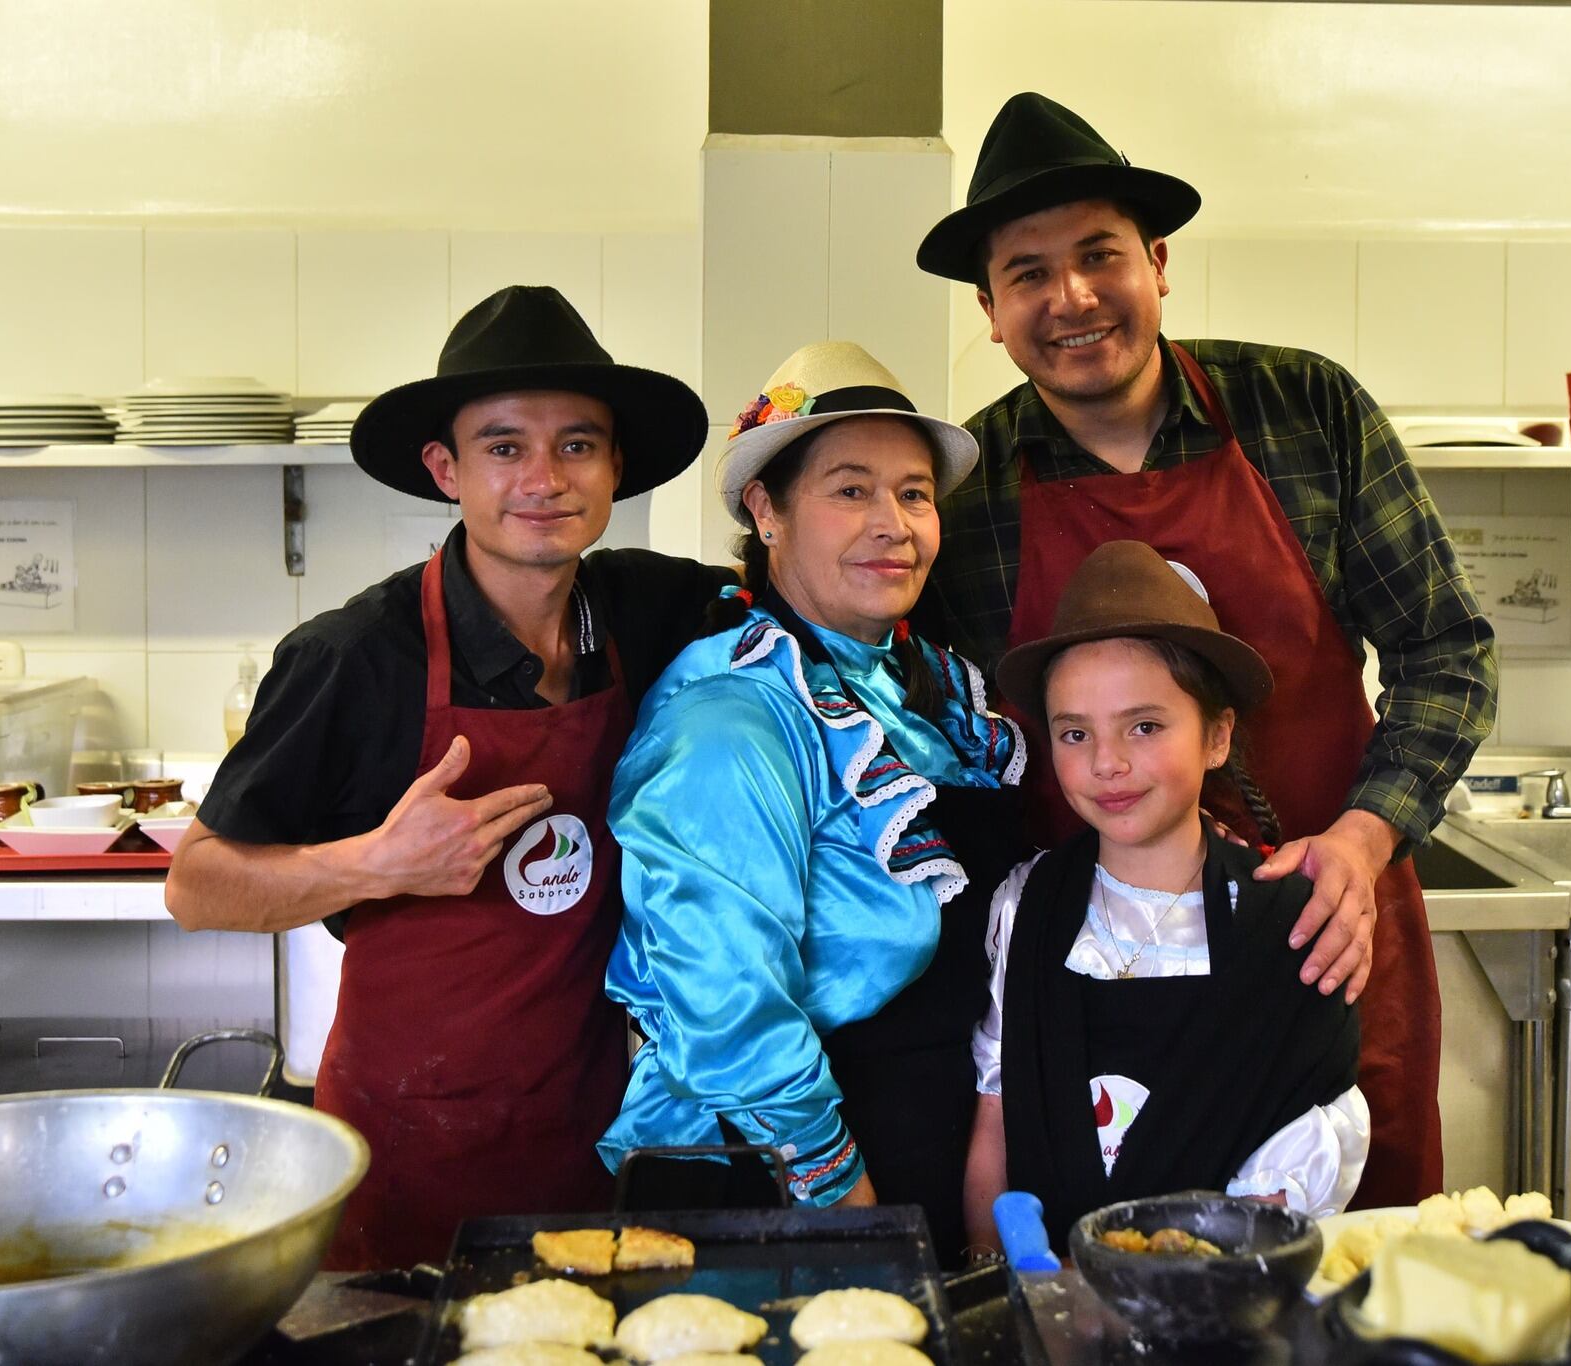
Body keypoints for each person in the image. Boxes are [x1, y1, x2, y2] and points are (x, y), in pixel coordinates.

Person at [915, 93, 1498, 1206]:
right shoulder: (970, 487)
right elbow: (946, 734)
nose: (1070, 297)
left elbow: (1447, 648)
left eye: (1098, 256)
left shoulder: (1300, 409)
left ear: (1158, 262)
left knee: (1349, 1260)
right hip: (1100, 968)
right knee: (1110, 1261)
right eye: (1027, 273)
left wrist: (1366, 842)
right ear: (989, 309)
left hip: (1328, 921)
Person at [164, 286, 730, 1269]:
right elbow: (198, 884)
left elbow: (805, 593)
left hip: (584, 1129)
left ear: (615, 465)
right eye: (504, 447)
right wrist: (380, 863)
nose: (543, 478)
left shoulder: (653, 610)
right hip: (404, 1149)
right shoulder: (353, 656)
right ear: (445, 468)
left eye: (577, 445)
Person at [598, 342, 1025, 1263]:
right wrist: (848, 1209)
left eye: (914, 493)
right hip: (778, 1182)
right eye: (850, 490)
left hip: (928, 1144)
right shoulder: (730, 718)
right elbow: (729, 1005)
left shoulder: (919, 690)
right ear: (767, 510)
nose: (894, 524)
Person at [964, 541, 1367, 1249]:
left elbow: (1272, 1201)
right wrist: (1002, 1284)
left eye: (1144, 726)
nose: (1107, 762)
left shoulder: (1288, 925)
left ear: (1217, 736)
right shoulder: (1027, 906)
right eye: (1074, 732)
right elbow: (995, 1123)